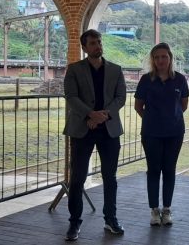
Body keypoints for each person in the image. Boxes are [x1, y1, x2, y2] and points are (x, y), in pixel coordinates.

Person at [63, 29, 126, 241]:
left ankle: (111, 219)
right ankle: (74, 223)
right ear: (84, 47)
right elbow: (71, 96)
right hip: (83, 130)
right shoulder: (74, 70)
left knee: (110, 177)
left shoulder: (116, 70)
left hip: (108, 130)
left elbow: (120, 98)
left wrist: (102, 115)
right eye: (92, 43)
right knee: (78, 178)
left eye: (99, 42)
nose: (97, 46)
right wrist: (90, 114)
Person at [134, 42, 189, 227]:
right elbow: (138, 106)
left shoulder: (180, 79)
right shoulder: (145, 80)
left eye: (164, 56)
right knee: (153, 170)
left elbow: (183, 105)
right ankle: (154, 210)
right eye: (157, 57)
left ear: (170, 58)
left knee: (169, 170)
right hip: (151, 133)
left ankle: (167, 209)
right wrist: (152, 118)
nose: (160, 60)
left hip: (174, 132)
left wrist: (169, 119)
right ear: (153, 60)